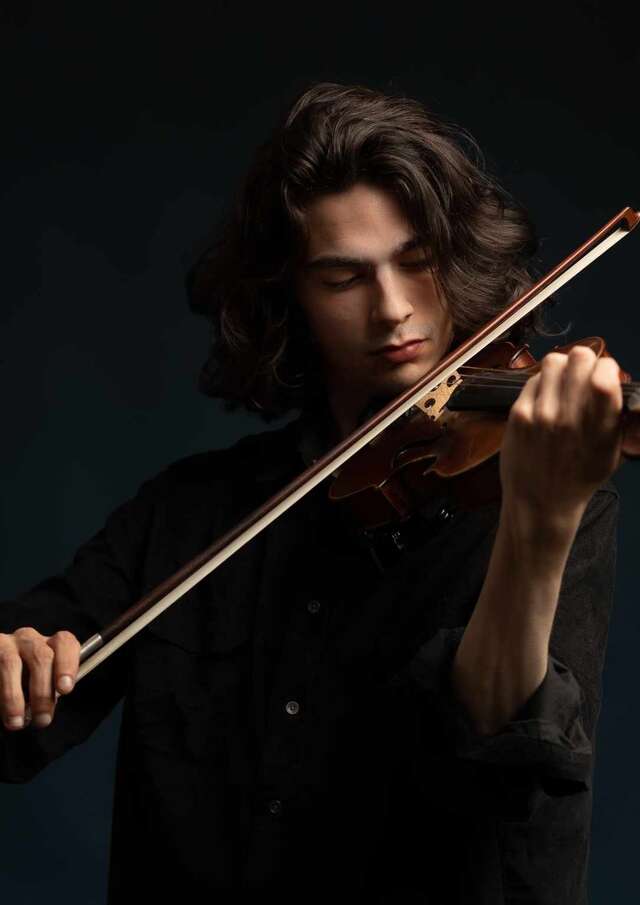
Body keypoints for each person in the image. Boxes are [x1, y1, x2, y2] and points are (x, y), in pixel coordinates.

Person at [0, 81, 637, 904]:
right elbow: (24, 687)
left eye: (418, 261)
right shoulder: (190, 513)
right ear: (290, 299)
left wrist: (541, 516)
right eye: (344, 278)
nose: (394, 309)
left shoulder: (547, 497)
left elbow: (496, 759)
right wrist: (14, 661)